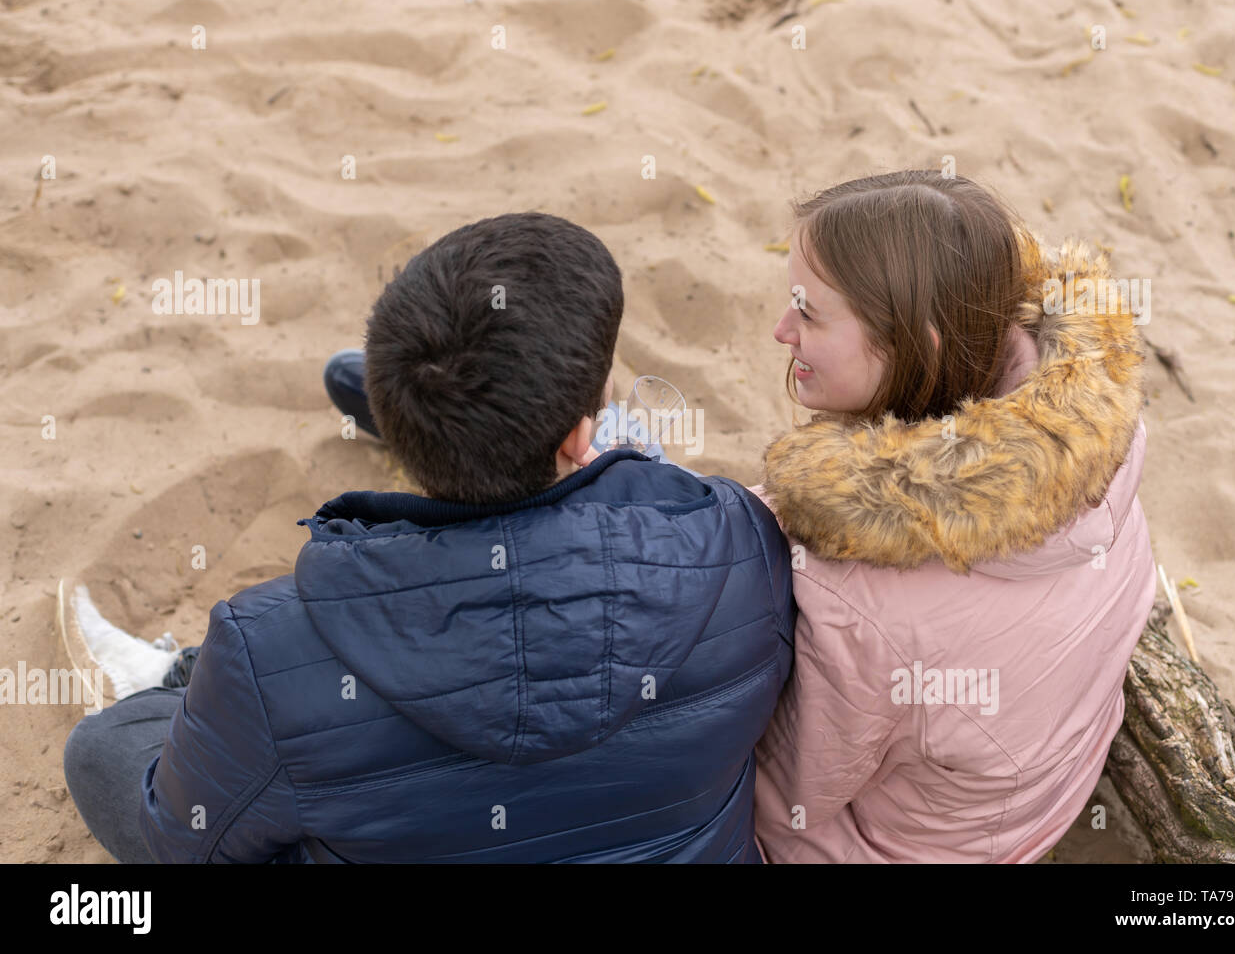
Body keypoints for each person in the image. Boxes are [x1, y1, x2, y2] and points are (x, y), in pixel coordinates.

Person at [62, 211, 795, 863]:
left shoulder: (264, 645)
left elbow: (178, 838)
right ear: (583, 437)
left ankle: (171, 681)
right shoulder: (745, 546)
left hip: (287, 698)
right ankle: (498, 427)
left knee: (100, 749)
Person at [751, 171, 1156, 863]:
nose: (782, 330)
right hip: (1042, 800)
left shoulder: (856, 591)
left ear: (922, 345)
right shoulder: (1099, 438)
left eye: (810, 315)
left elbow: (790, 787)